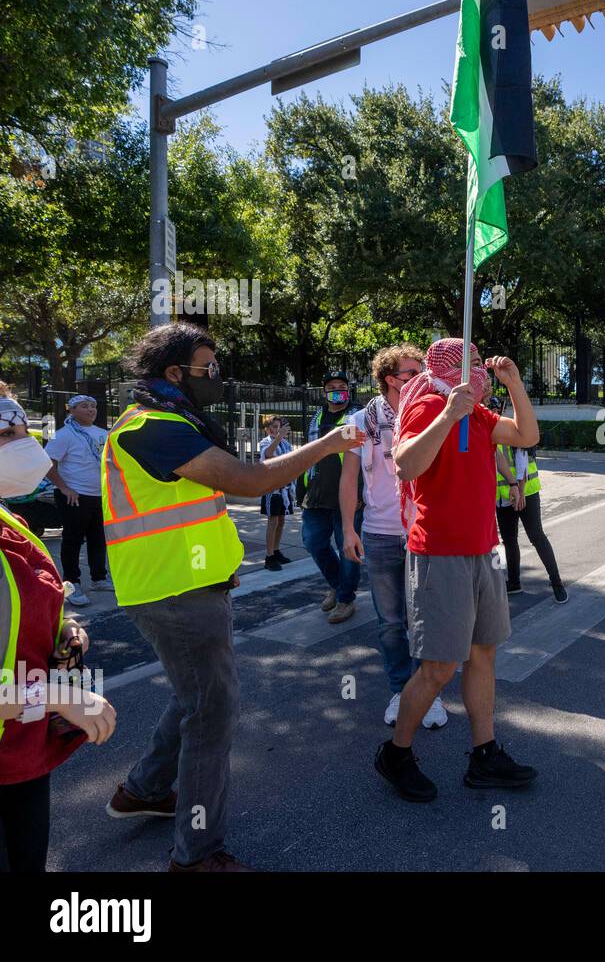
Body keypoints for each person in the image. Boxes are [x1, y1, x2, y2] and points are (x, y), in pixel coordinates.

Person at [101, 323, 364, 871]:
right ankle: (196, 855)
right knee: (211, 713)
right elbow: (250, 480)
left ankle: (143, 790)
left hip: (188, 583)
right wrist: (329, 442)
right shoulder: (153, 427)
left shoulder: (173, 421)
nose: (217, 375)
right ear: (175, 374)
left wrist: (219, 568)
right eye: (208, 367)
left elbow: (193, 512)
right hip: (172, 592)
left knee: (190, 694)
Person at [373, 339, 539, 803]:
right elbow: (406, 466)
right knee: (438, 667)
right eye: (471, 362)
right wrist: (449, 414)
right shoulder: (428, 402)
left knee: (483, 653)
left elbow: (526, 436)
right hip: (440, 553)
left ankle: (484, 755)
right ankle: (397, 753)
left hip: (482, 550)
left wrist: (515, 383)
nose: (479, 370)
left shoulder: (480, 413)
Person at [0, 387, 117, 872]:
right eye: (6, 435)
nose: (23, 445)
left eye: (20, 430)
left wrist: (63, 625)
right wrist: (52, 696)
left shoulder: (9, 517)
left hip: (22, 757)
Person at [340, 345, 448, 730]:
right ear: (390, 379)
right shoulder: (361, 421)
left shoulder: (428, 415)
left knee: (425, 620)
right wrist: (349, 529)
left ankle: (428, 695)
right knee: (390, 623)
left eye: (422, 374)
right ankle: (401, 690)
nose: (420, 380)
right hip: (381, 533)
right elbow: (348, 478)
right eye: (411, 375)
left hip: (423, 533)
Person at [301, 370, 363, 623]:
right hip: (316, 495)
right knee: (313, 543)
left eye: (342, 385)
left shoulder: (357, 416)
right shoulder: (316, 416)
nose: (337, 390)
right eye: (332, 386)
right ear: (324, 390)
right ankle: (337, 585)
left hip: (347, 495)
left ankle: (345, 598)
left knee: (347, 548)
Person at [43, 394, 110, 607]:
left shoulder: (103, 433)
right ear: (71, 410)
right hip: (75, 497)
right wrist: (64, 487)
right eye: (84, 406)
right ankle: (72, 583)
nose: (91, 410)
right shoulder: (63, 435)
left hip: (99, 496)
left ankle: (99, 578)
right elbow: (47, 464)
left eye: (93, 406)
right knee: (72, 540)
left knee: (98, 538)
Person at [495, 435, 567, 603]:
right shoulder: (489, 429)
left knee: (536, 536)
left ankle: (557, 583)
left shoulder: (510, 428)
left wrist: (519, 491)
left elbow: (522, 461)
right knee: (509, 540)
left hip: (526, 492)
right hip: (502, 496)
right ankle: (514, 583)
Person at [256, 416, 296, 571]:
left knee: (281, 521)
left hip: (284, 489)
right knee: (272, 521)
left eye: (278, 426)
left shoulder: (285, 444)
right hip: (271, 489)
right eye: (273, 427)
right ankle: (269, 556)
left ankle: (276, 550)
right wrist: (279, 437)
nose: (276, 429)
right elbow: (268, 454)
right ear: (267, 429)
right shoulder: (265, 442)